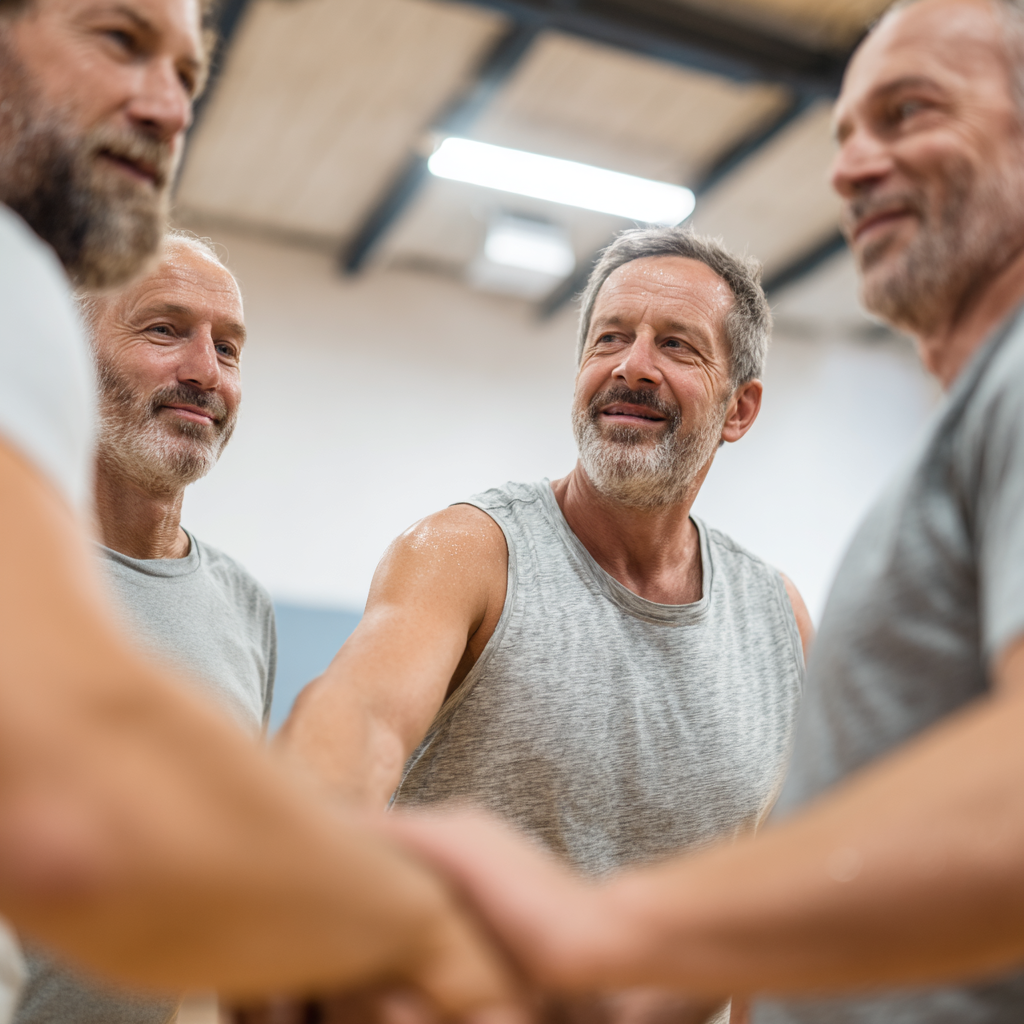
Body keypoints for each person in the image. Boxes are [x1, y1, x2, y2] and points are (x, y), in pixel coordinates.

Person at [386, 1, 1024, 1022]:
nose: (853, 167)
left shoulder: (787, 597)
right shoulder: (478, 546)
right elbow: (798, 863)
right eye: (846, 133)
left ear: (740, 409)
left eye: (908, 113)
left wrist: (603, 933)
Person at [0, 0, 521, 1019]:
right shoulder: (18, 293)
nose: (165, 107)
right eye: (119, 38)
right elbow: (71, 796)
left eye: (190, 77)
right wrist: (393, 918)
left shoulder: (242, 604)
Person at [281, 227, 814, 1021]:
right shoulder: (468, 553)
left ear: (740, 408)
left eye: (676, 345)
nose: (632, 366)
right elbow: (361, 719)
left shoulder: (778, 619)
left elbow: (770, 904)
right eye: (609, 338)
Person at [17, 231, 277, 1024]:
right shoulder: (15, 568)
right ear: (68, 351)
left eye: (227, 348)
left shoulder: (243, 607)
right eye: (164, 330)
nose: (204, 372)